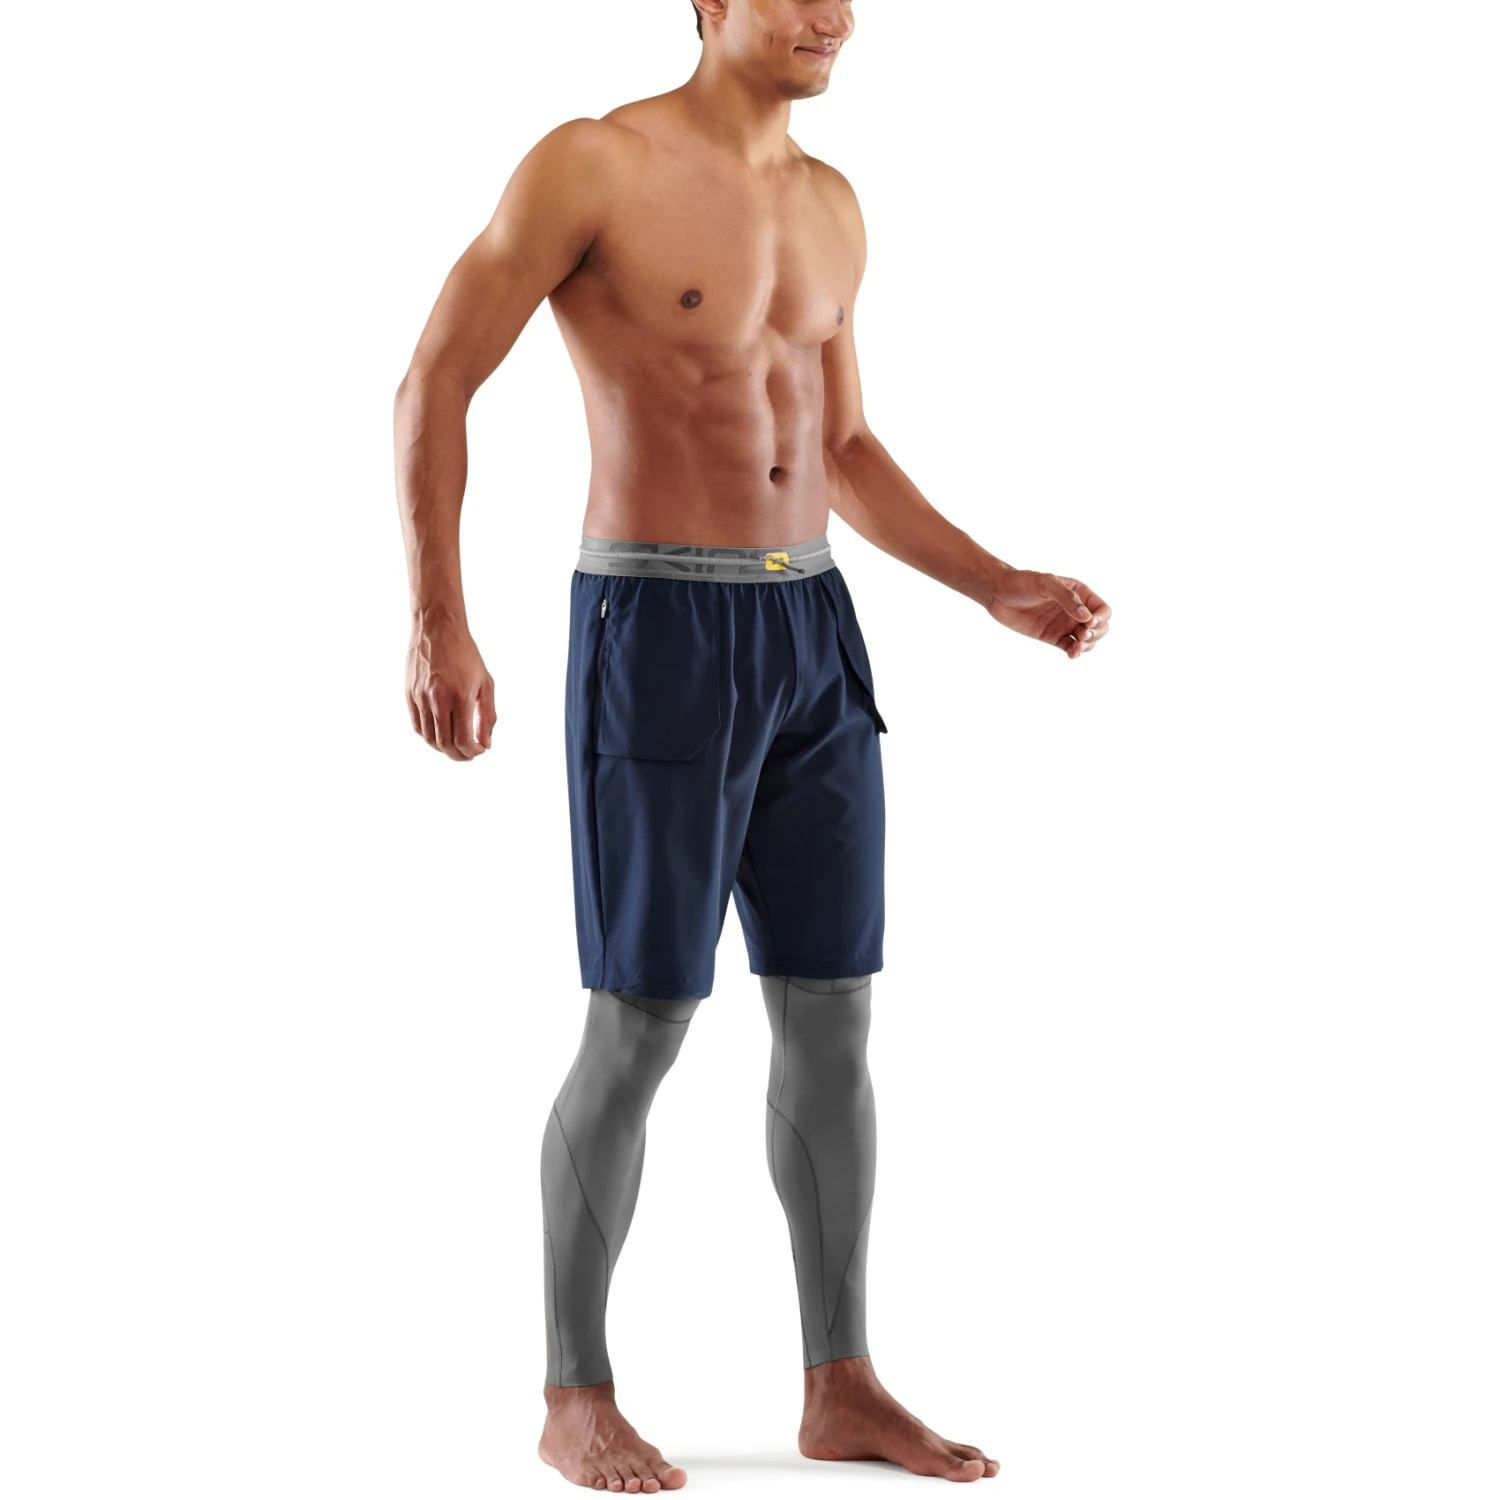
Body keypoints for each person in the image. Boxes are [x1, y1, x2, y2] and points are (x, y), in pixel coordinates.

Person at [393, 1, 1111, 1491]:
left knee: (835, 1015)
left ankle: (841, 1385)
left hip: (814, 628)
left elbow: (840, 448)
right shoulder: (592, 165)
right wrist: (438, 619)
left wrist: (994, 584)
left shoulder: (832, 202)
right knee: (642, 1019)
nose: (834, 15)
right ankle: (573, 1395)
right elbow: (435, 380)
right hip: (657, 629)